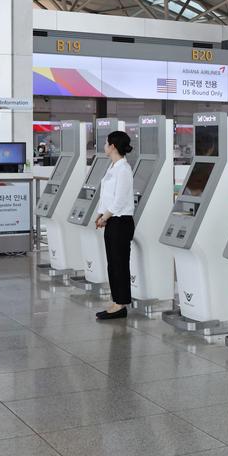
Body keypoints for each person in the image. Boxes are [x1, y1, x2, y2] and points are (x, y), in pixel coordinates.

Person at [94, 131, 135, 320]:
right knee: (113, 263)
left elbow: (119, 200)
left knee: (120, 263)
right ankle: (116, 301)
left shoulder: (124, 170)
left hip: (121, 221)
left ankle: (121, 304)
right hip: (111, 220)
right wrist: (101, 215)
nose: (104, 145)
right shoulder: (112, 167)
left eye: (106, 142)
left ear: (112, 147)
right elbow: (107, 196)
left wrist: (105, 217)